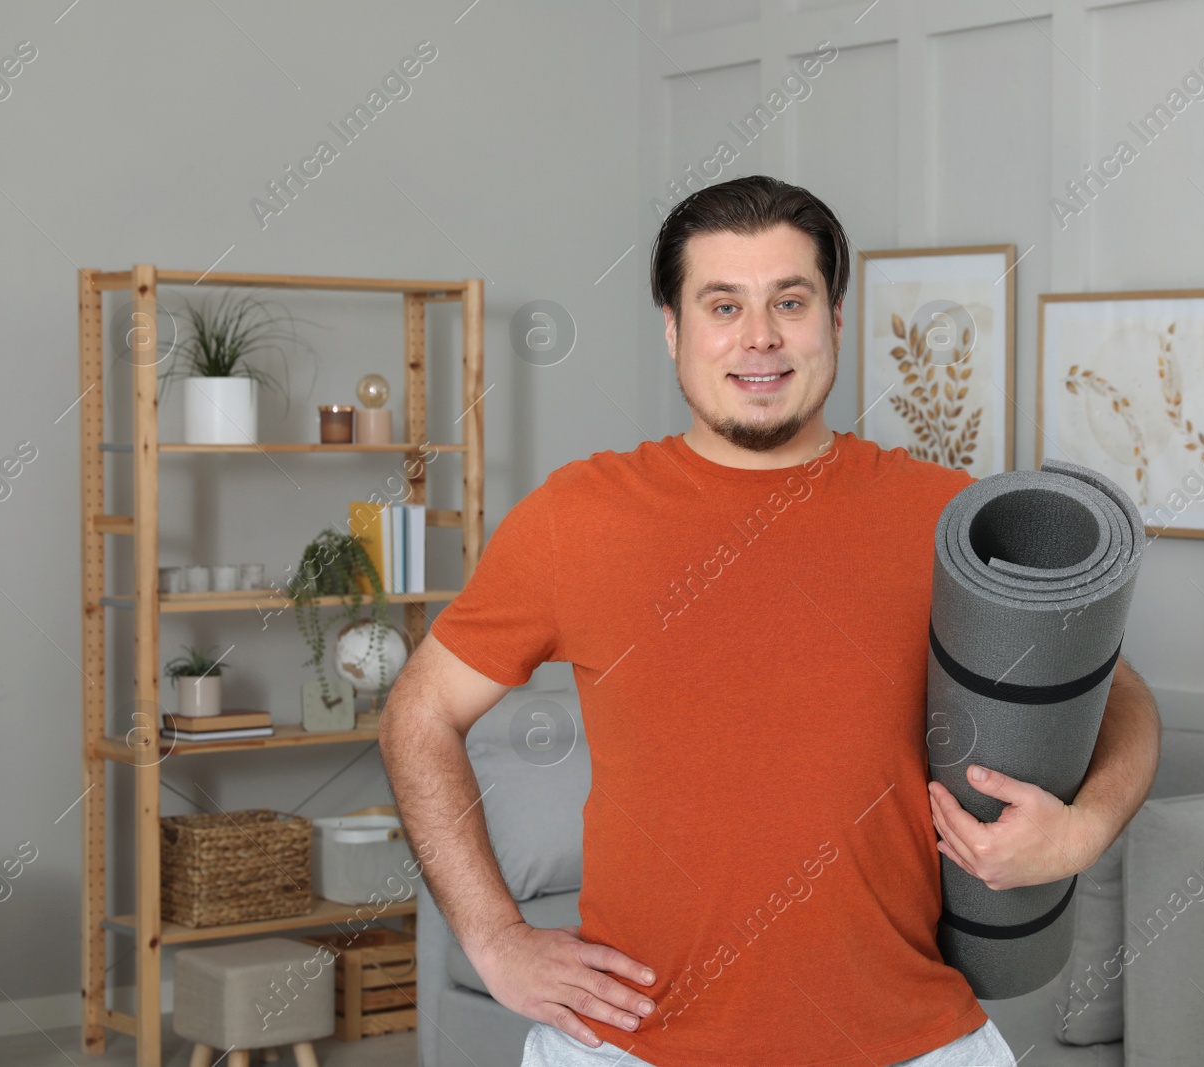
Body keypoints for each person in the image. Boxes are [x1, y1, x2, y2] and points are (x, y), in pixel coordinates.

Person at [379, 174, 1160, 1067]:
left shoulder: (948, 519)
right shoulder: (577, 517)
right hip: (626, 1049)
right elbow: (421, 712)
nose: (759, 337)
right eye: (723, 304)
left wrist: (1082, 830)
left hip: (913, 1042)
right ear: (673, 329)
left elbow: (1119, 697)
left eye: (789, 300)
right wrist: (494, 936)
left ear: (834, 318)